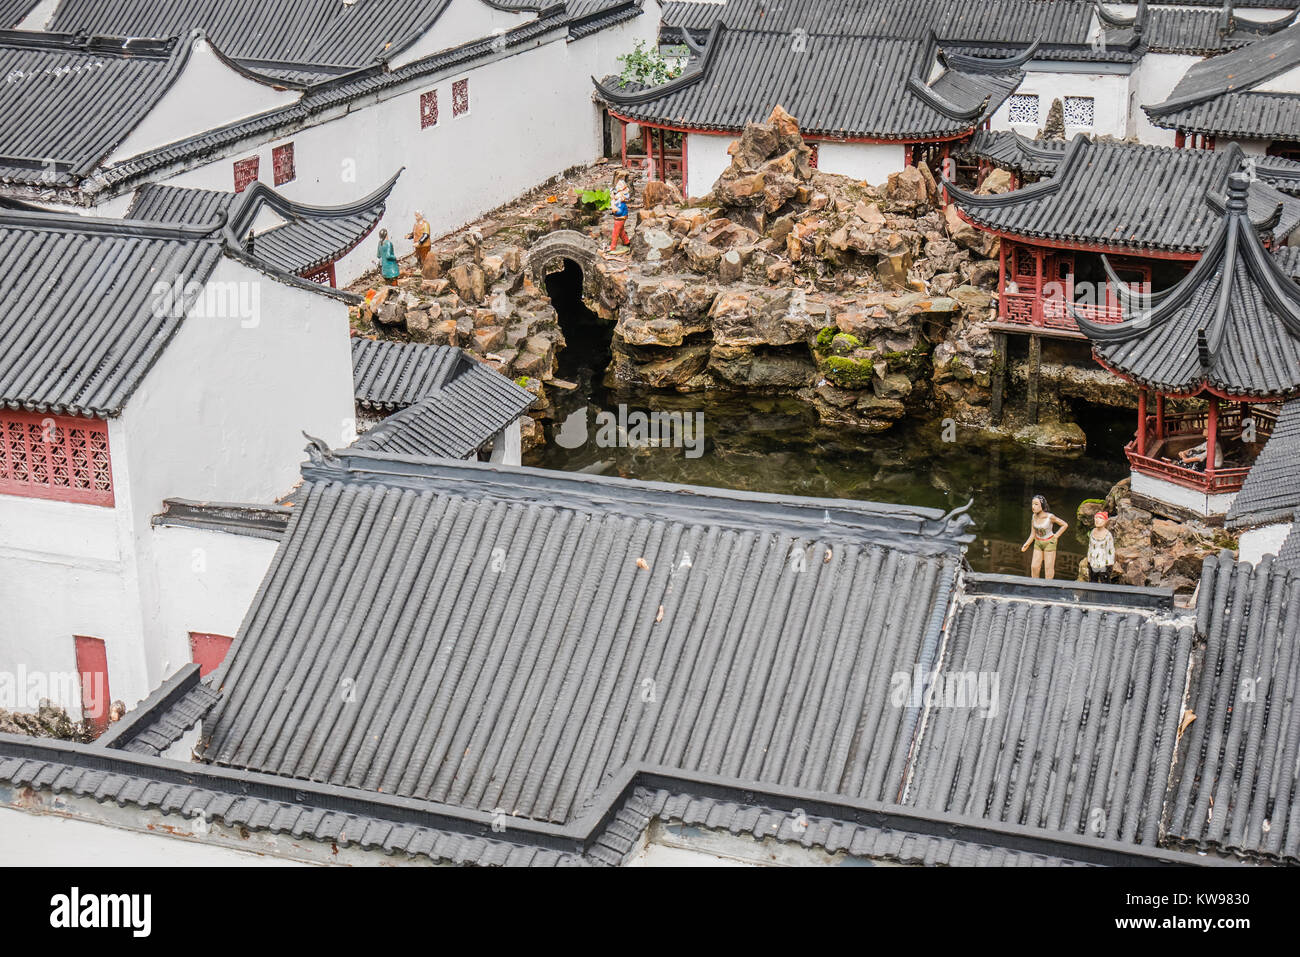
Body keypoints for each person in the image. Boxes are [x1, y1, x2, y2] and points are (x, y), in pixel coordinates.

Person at [1020, 494, 1068, 579]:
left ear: (1042, 506)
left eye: (1036, 504)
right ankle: (1035, 584)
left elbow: (1064, 525)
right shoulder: (1034, 516)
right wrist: (1027, 544)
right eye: (1032, 504)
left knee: (1048, 568)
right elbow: (1033, 534)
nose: (1033, 507)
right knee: (1034, 566)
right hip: (1038, 542)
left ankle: (1048, 587)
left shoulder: (1050, 517)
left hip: (1049, 542)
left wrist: (1056, 536)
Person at [1086, 510, 1116, 584]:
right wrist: (1089, 559)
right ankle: (1092, 594)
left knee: (1105, 581)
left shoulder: (1108, 535)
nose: (1097, 520)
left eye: (1100, 518)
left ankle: (1105, 595)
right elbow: (1090, 547)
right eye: (1096, 518)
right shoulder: (1092, 532)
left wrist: (1109, 564)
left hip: (1103, 563)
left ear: (1105, 521)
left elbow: (1111, 550)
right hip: (1093, 562)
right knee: (1092, 581)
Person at [609, 170, 631, 252]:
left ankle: (612, 247)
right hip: (618, 217)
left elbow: (618, 212)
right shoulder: (617, 201)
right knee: (621, 231)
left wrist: (613, 206)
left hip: (620, 217)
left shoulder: (621, 204)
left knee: (615, 232)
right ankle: (626, 242)